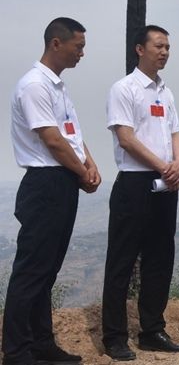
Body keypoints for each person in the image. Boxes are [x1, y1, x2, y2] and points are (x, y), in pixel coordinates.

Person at [2, 18, 101, 365]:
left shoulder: (58, 87)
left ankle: (41, 343)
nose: (82, 53)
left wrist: (90, 165)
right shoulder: (34, 85)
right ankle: (16, 351)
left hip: (63, 180)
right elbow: (52, 140)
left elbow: (71, 135)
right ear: (56, 43)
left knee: (47, 271)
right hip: (45, 183)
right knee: (31, 271)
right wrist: (82, 172)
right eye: (78, 46)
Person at [102, 25, 179, 361]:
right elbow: (126, 138)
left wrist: (178, 163)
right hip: (135, 183)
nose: (164, 52)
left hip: (166, 184)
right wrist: (163, 166)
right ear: (140, 49)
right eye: (159, 46)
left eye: (168, 47)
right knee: (122, 261)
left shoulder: (166, 92)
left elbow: (176, 132)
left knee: (160, 258)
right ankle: (114, 337)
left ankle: (152, 330)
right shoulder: (124, 89)